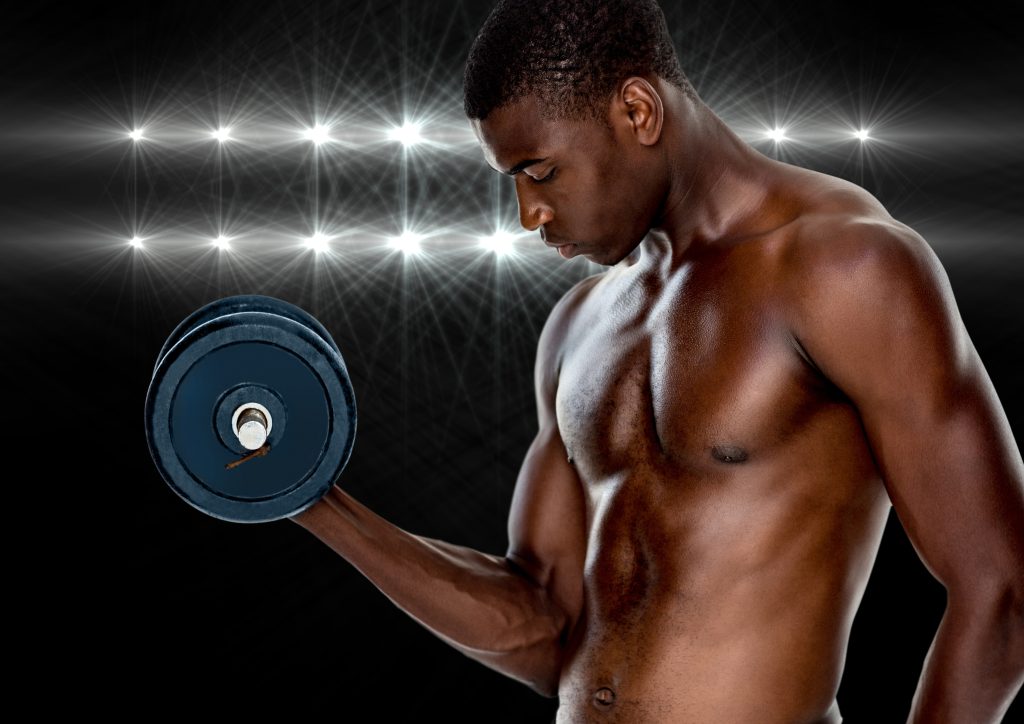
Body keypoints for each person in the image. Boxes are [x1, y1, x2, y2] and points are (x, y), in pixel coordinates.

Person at [291, 1, 1024, 721]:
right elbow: (542, 626)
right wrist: (312, 500)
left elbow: (1002, 590)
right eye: (510, 178)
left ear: (638, 111)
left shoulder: (841, 265)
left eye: (540, 170)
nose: (527, 214)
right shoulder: (578, 324)